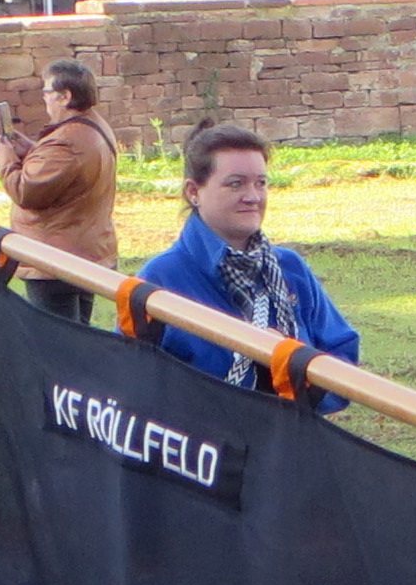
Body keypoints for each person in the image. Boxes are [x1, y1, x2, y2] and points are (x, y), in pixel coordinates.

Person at [136, 125, 361, 393]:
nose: (253, 196)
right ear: (193, 192)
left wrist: (291, 363)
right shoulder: (161, 279)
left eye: (261, 183)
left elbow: (342, 355)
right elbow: (134, 385)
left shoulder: (289, 268)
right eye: (235, 183)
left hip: (288, 430)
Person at [0, 58, 117, 319]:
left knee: (57, 346)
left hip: (54, 260)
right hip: (83, 251)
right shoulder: (92, 125)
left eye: (47, 92)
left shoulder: (66, 142)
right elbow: (65, 175)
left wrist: (4, 156)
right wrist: (33, 150)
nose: (44, 99)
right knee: (78, 338)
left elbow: (25, 191)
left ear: (65, 96)